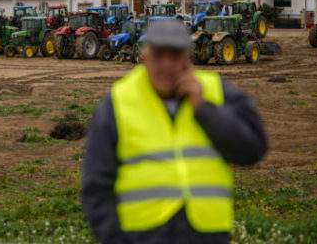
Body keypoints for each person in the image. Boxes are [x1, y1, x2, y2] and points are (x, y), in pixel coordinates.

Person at [82, 20, 267, 244]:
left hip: (208, 236)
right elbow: (96, 185)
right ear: (145, 57)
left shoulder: (216, 91)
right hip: (144, 236)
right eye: (159, 55)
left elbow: (253, 149)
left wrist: (204, 109)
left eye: (175, 55)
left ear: (188, 58)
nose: (167, 64)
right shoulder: (118, 102)